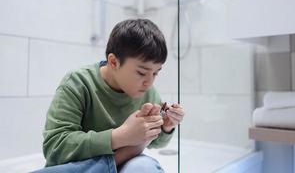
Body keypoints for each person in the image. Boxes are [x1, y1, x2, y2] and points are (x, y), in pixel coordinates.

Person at [33, 19, 185, 173]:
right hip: (80, 166)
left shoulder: (148, 92)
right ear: (113, 62)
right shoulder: (78, 83)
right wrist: (120, 136)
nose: (149, 82)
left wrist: (166, 127)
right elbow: (55, 148)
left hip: (126, 165)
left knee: (143, 168)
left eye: (155, 73)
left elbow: (154, 142)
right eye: (141, 72)